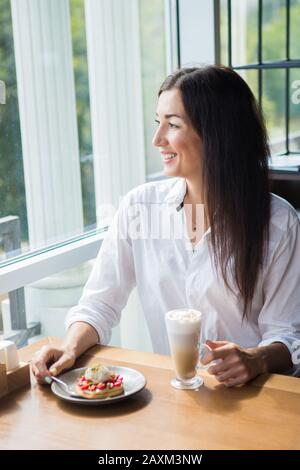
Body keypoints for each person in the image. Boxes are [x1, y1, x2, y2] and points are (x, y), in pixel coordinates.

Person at [32, 65, 300, 387]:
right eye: (158, 122)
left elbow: (286, 333)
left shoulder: (279, 223)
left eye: (172, 125)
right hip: (174, 396)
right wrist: (69, 346)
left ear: (218, 134)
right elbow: (99, 303)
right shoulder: (139, 208)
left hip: (253, 397)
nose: (157, 140)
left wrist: (255, 359)